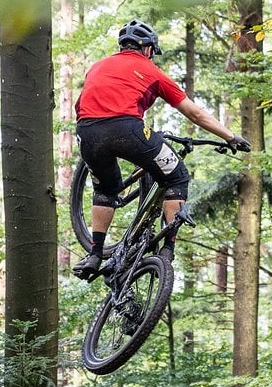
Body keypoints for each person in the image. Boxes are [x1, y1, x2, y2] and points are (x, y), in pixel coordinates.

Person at [73, 19, 250, 280]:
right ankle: (168, 250)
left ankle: (95, 254)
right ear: (147, 49)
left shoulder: (97, 67)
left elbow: (81, 103)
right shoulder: (152, 71)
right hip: (127, 128)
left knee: (105, 190)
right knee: (177, 177)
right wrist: (231, 137)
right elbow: (194, 113)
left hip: (86, 132)